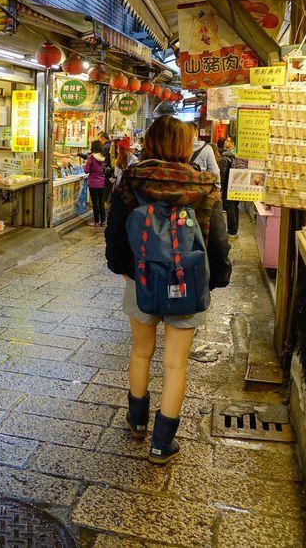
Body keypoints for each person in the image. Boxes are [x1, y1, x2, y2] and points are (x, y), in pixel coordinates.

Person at [105, 115, 231, 464]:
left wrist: (121, 268)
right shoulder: (205, 185)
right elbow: (218, 240)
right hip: (187, 283)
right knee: (176, 364)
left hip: (140, 277)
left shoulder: (133, 179)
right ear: (183, 146)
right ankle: (162, 443)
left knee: (141, 351)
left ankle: (136, 422)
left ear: (151, 141)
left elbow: (114, 230)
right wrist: (217, 278)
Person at [217, 136, 239, 236]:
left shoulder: (226, 156)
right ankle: (235, 229)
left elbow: (223, 173)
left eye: (228, 140)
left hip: (229, 185)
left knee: (230, 207)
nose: (226, 142)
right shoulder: (238, 155)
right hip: (239, 185)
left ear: (232, 143)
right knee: (235, 206)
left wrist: (220, 187)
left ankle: (231, 231)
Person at [83, 139, 108, 226]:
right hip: (102, 182)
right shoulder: (103, 157)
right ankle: (103, 221)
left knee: (95, 202)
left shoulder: (91, 157)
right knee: (101, 202)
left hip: (93, 183)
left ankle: (96, 221)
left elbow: (86, 170)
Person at [189, 122, 220, 189]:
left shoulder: (178, 148)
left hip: (183, 190)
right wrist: (217, 189)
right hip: (201, 190)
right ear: (196, 133)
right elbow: (215, 172)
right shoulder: (206, 148)